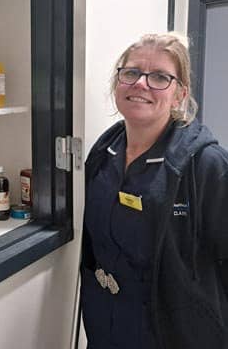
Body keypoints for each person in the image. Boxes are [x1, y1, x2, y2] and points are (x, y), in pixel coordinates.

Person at [81, 32, 228, 349]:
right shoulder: (103, 153)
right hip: (107, 327)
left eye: (160, 76)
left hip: (174, 335)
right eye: (131, 72)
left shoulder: (206, 165)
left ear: (180, 94)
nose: (141, 84)